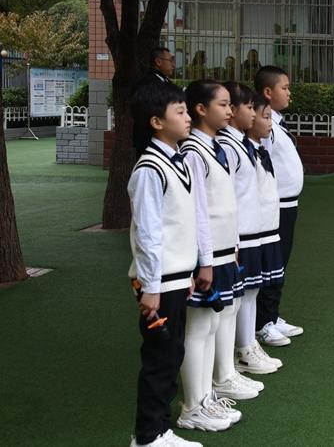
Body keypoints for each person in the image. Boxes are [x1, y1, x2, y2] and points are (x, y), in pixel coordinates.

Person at [127, 82, 202, 447]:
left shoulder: (176, 160)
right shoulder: (149, 169)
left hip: (175, 278)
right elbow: (148, 234)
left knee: (172, 355)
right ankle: (147, 437)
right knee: (160, 358)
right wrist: (152, 287)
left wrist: (187, 273)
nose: (188, 118)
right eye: (180, 112)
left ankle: (159, 430)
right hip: (158, 283)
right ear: (157, 122)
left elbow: (178, 226)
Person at [177, 80, 242, 432]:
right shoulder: (193, 152)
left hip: (222, 250)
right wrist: (204, 261)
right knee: (199, 327)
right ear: (201, 109)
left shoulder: (216, 148)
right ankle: (192, 405)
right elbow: (198, 212)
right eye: (223, 104)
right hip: (208, 255)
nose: (230, 111)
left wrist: (233, 244)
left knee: (212, 324)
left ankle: (206, 396)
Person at [217, 83, 283, 378]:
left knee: (251, 291)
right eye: (248, 108)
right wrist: (233, 239)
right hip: (240, 234)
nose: (252, 114)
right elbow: (227, 196)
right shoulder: (228, 147)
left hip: (255, 230)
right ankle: (240, 351)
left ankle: (247, 345)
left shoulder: (242, 144)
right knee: (239, 297)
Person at [254, 66, 305, 347]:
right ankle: (262, 322)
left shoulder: (276, 122)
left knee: (280, 263)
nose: (289, 93)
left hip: (287, 204)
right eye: (284, 88)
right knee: (272, 264)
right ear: (267, 92)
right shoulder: (265, 126)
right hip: (275, 207)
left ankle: (271, 316)